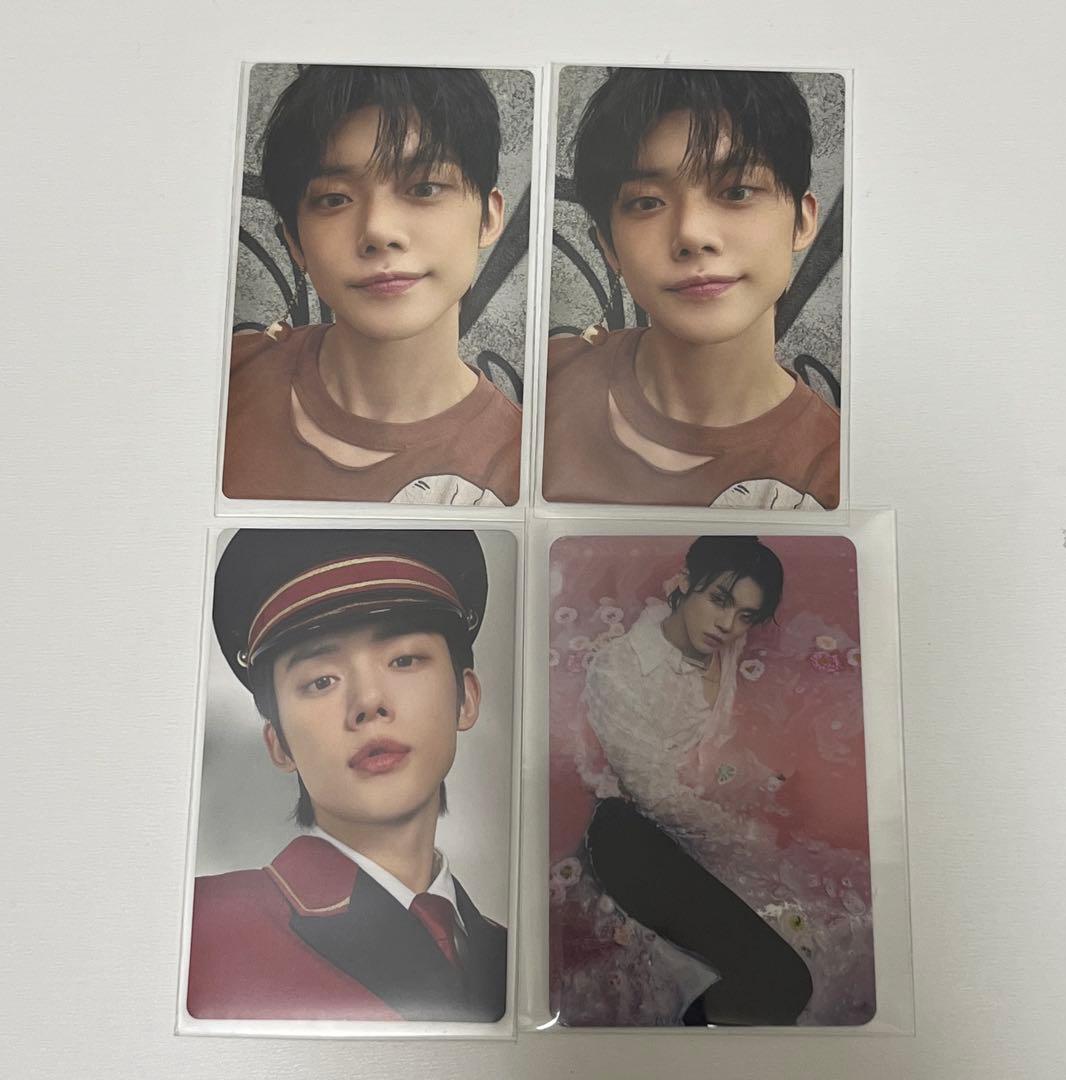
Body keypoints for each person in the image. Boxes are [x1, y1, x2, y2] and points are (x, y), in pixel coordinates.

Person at [186, 529, 506, 1022]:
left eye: (403, 660)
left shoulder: (512, 955)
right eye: (321, 681)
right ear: (279, 743)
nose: (368, 702)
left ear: (465, 699)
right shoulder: (203, 927)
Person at [576, 537, 872, 1025]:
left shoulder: (721, 647)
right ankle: (693, 1030)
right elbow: (655, 794)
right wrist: (743, 834)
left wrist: (755, 781)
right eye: (719, 600)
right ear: (684, 583)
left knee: (819, 927)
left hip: (696, 820)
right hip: (632, 837)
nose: (728, 625)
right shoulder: (618, 668)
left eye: (745, 615)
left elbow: (713, 747)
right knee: (779, 978)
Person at [222, 66, 521, 506]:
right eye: (334, 199)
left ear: (489, 217)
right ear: (295, 242)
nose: (379, 230)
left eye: (424, 188)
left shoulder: (524, 467)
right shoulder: (221, 383)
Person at [542, 69, 839, 510]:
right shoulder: (544, 386)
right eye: (647, 202)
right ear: (608, 245)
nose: (692, 234)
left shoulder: (838, 471)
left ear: (803, 219)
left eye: (737, 192)